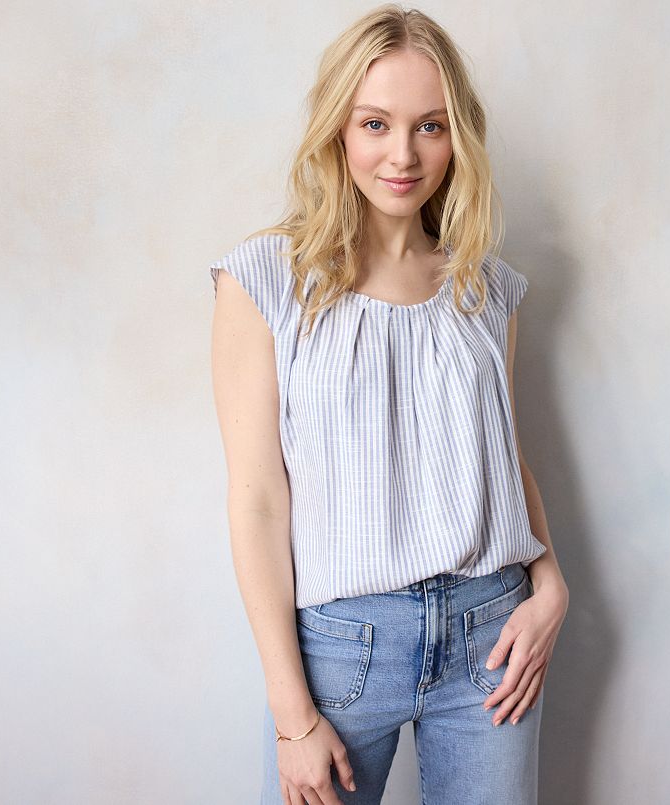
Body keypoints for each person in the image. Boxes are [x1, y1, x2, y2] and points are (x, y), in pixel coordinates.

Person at [208, 5, 569, 804]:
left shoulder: (486, 288)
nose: (402, 155)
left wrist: (551, 583)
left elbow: (501, 459)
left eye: (429, 126)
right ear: (337, 128)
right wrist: (291, 716)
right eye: (375, 123)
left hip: (491, 635)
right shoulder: (264, 280)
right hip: (340, 647)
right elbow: (257, 499)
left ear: (456, 136)